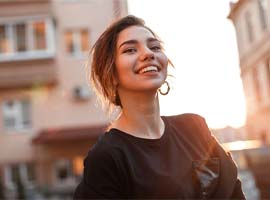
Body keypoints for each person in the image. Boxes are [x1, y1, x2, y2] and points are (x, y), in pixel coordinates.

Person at [74, 15, 245, 199]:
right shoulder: (106, 157)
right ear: (111, 74)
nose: (148, 54)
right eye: (130, 50)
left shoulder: (194, 127)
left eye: (154, 47)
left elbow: (233, 191)